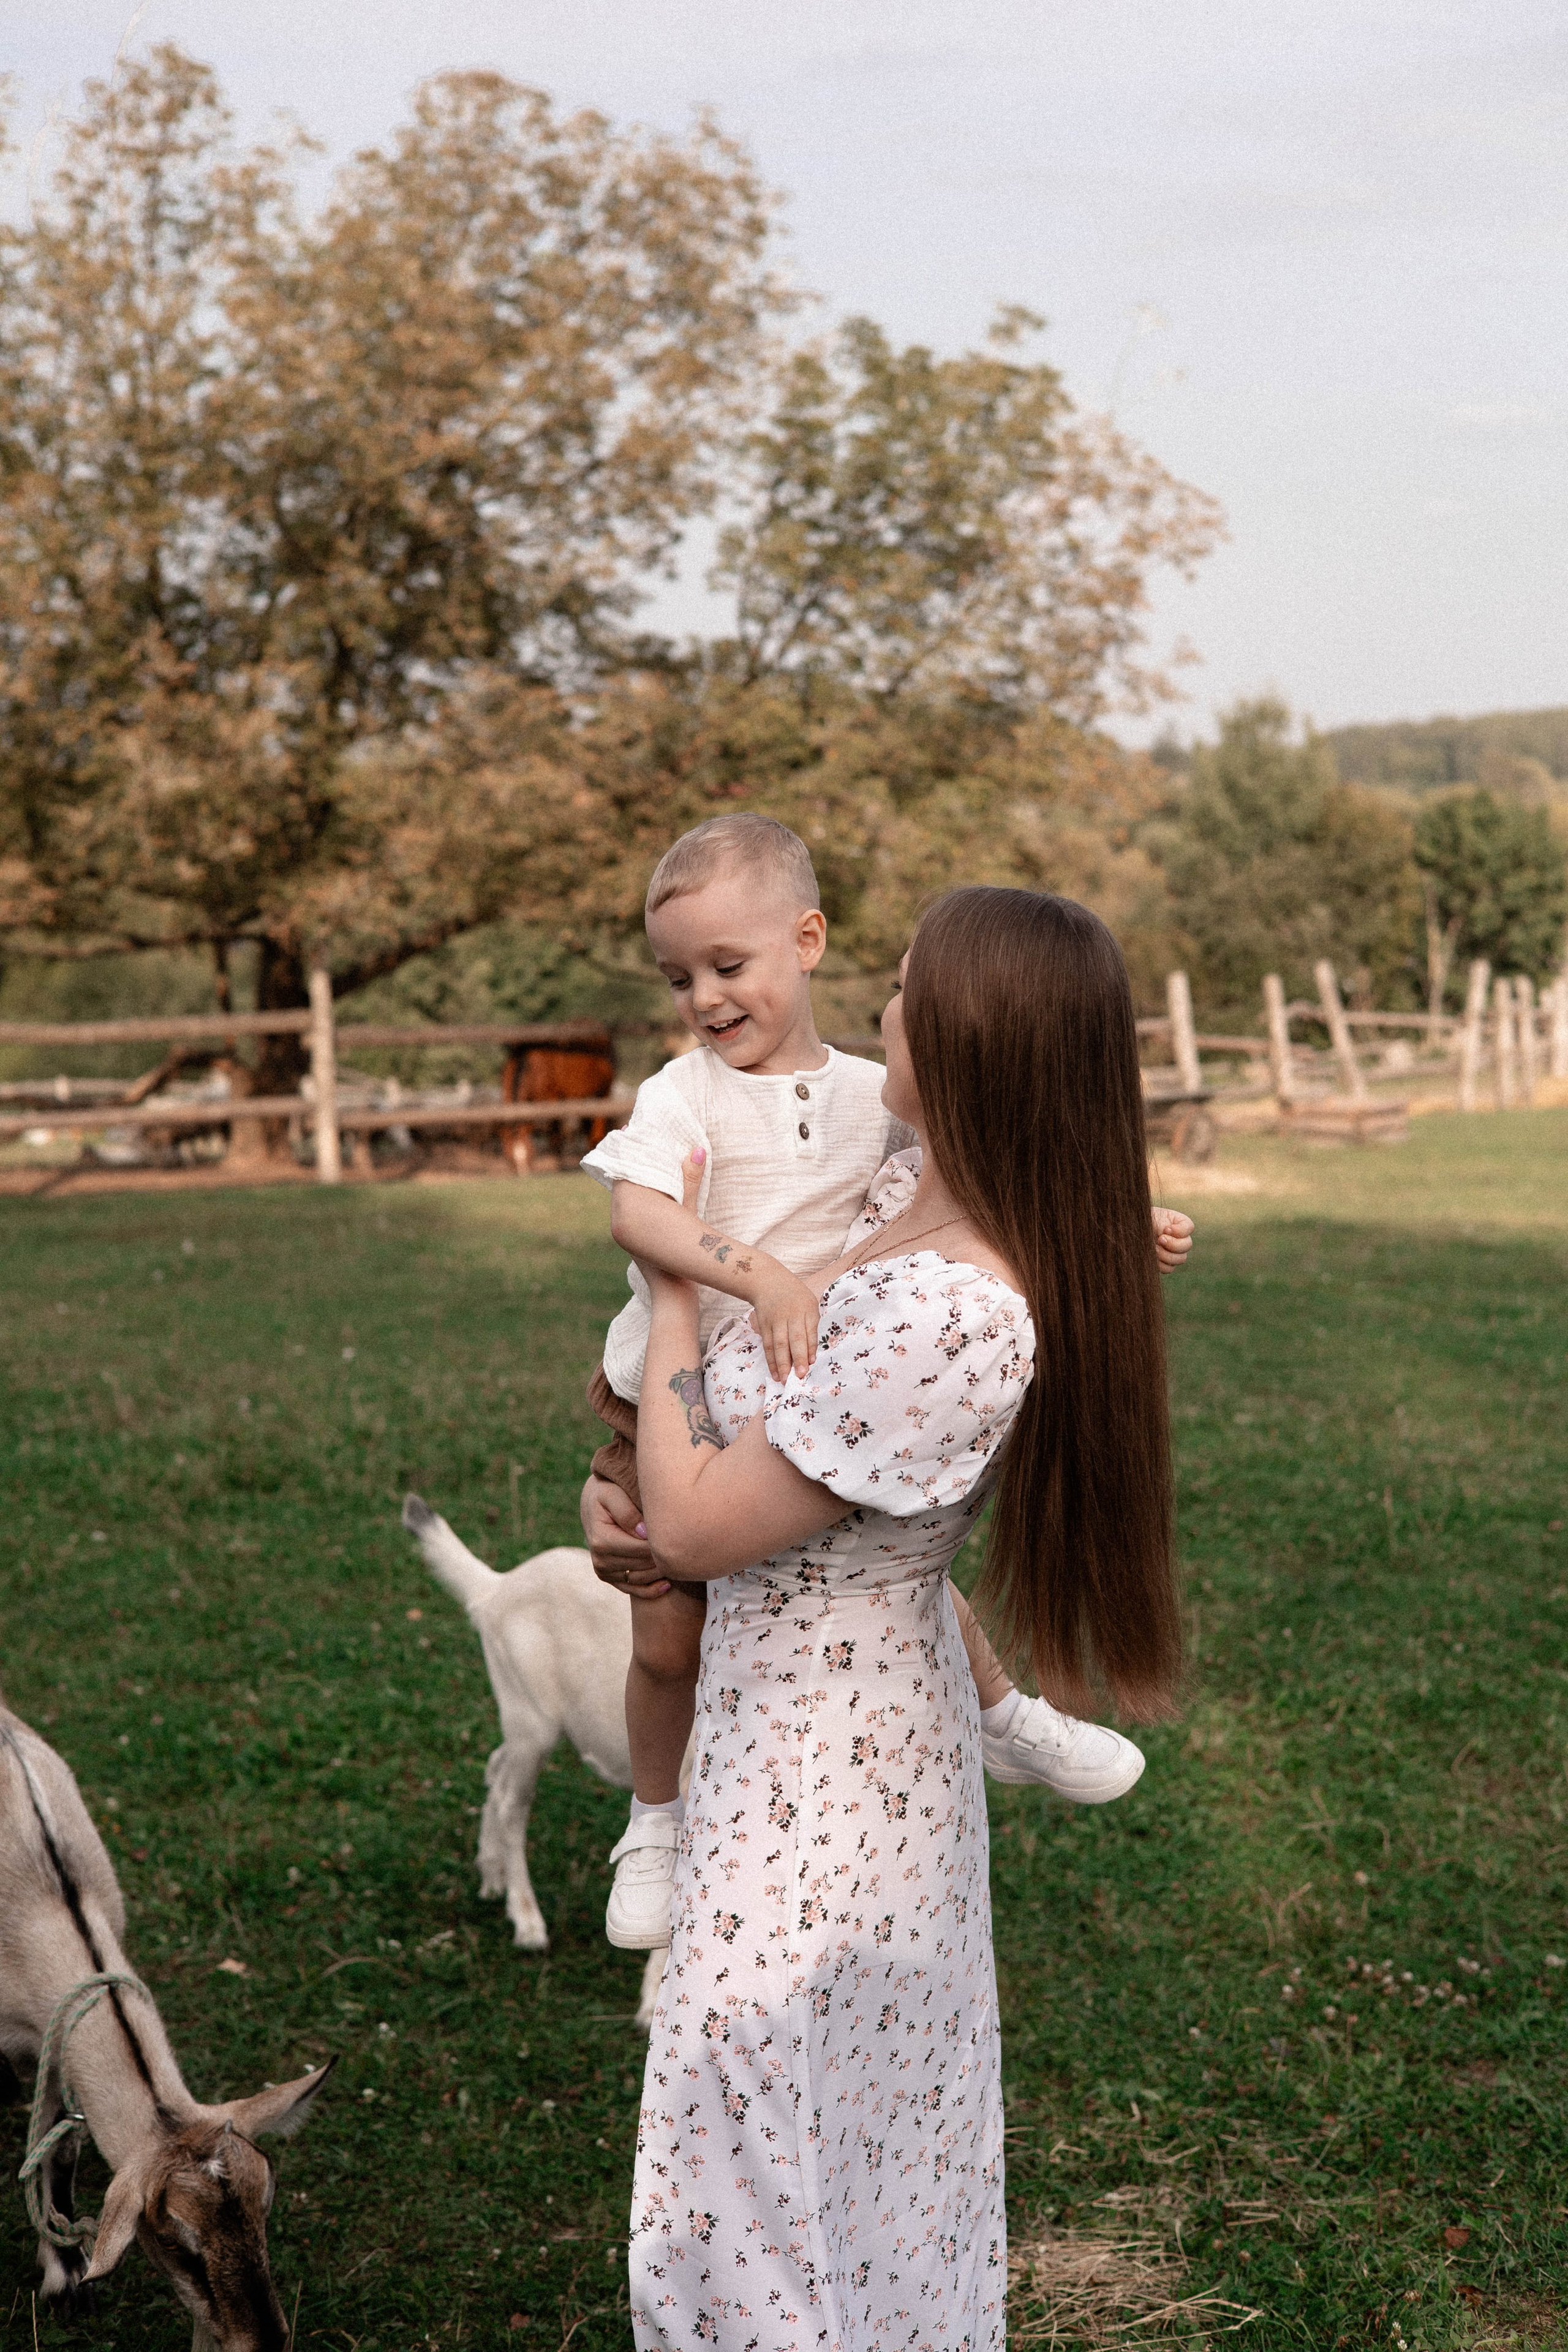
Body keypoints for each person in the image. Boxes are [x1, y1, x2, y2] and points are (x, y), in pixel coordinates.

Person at [583, 887, 1184, 2352]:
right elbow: (700, 1495)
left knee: (760, 2131)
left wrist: (671, 1292)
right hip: (783, 1721)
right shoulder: (889, 1191)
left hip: (825, 1773)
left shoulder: (952, 1313)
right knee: (808, 2135)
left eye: (909, 986)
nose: (884, 1006)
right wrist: (621, 1497)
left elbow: (705, 1524)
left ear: (971, 1035)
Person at [579, 818, 1193, 1951]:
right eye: (678, 978)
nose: (704, 998)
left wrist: (1115, 1216)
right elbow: (639, 1210)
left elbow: (1021, 1154)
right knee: (664, 1640)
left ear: (805, 942)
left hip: (824, 1736)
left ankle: (1005, 1710)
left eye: (727, 965)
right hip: (685, 1411)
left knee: (878, 1562)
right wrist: (725, 1282)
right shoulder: (687, 1095)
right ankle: (652, 1823)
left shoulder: (884, 1147)